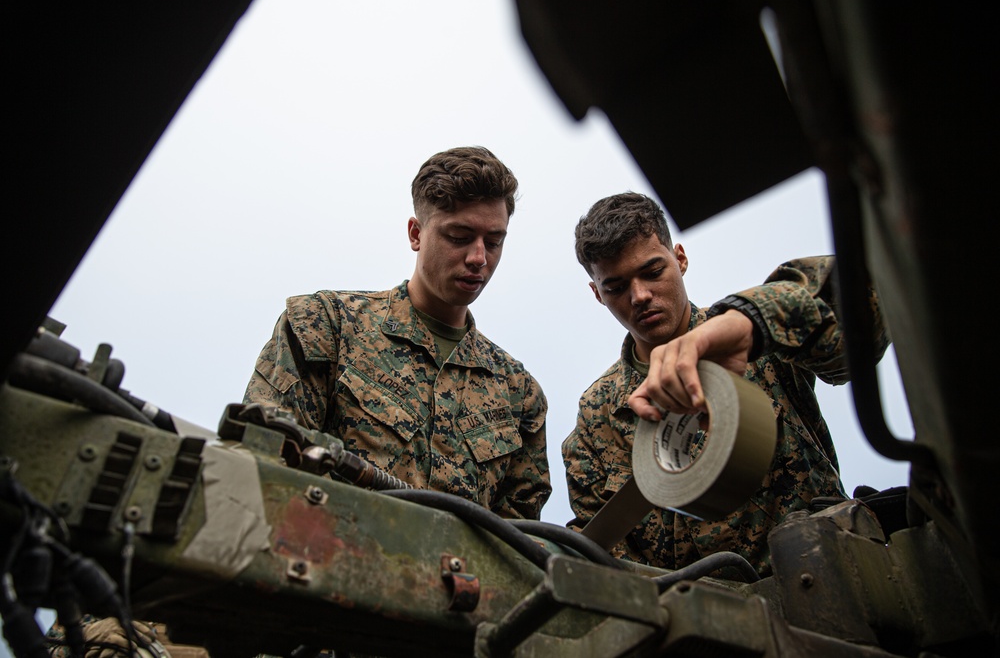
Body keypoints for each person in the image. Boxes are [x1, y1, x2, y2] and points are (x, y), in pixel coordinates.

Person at [562, 192, 888, 576]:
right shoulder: (598, 414)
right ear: (598, 294)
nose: (640, 296)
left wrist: (753, 321)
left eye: (652, 272)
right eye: (616, 287)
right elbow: (604, 554)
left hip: (829, 580)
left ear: (680, 259)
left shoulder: (754, 339)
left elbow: (868, 310)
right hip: (706, 620)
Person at [244, 146, 550, 520]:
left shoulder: (518, 391)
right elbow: (266, 454)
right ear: (416, 233)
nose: (478, 258)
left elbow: (520, 540)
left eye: (494, 241)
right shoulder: (326, 326)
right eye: (459, 236)